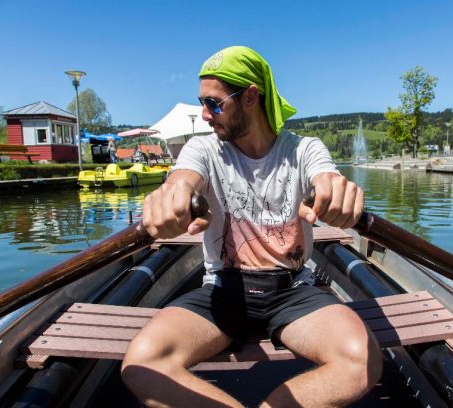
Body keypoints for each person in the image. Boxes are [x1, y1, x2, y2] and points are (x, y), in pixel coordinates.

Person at [121, 46, 382, 407]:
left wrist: (336, 192)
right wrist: (172, 195)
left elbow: (326, 176)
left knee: (363, 360)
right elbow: (182, 180)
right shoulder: (204, 149)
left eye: (214, 104)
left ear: (250, 97)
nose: (205, 114)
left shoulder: (303, 149)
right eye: (203, 103)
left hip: (291, 289)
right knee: (142, 364)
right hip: (224, 291)